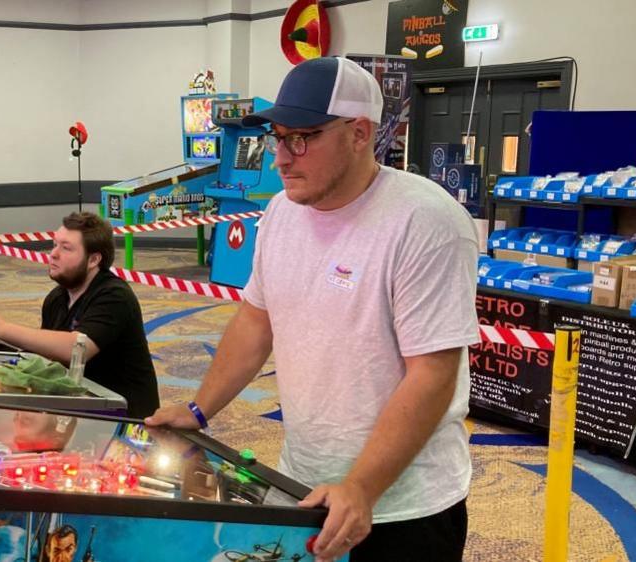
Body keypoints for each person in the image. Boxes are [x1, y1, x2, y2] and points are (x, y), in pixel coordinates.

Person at [146, 56, 479, 562]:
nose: (281, 157)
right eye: (278, 137)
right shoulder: (281, 213)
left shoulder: (425, 221)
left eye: (301, 138)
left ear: (360, 133)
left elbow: (432, 372)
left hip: (403, 509)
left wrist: (362, 488)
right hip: (302, 485)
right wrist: (199, 409)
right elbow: (256, 321)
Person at [0, 212, 160, 418]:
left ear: (94, 259)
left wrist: (2, 328)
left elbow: (76, 348)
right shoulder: (57, 298)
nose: (53, 254)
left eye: (66, 248)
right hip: (85, 408)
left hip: (126, 418)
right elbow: (46, 358)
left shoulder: (114, 295)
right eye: (54, 244)